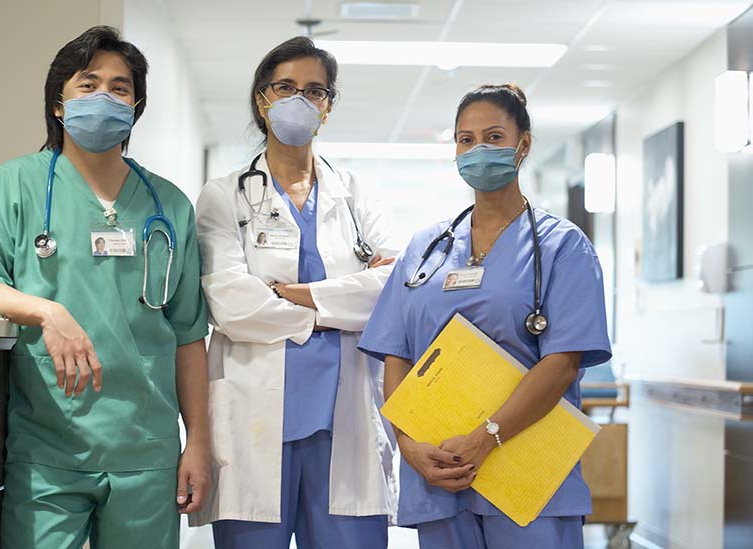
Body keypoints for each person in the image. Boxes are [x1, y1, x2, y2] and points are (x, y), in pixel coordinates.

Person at [0, 26, 210, 548]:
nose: (104, 97)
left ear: (135, 108)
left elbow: (188, 335)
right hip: (47, 450)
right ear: (58, 104)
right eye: (88, 85)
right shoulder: (17, 184)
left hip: (145, 452)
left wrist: (196, 440)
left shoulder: (169, 206)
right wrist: (46, 311)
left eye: (120, 87)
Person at [359, 83, 612, 549]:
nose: (478, 150)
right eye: (466, 140)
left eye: (494, 137)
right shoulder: (424, 249)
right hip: (439, 471)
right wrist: (408, 445)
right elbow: (396, 353)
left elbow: (561, 365)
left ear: (523, 145)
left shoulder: (562, 247)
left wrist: (487, 436)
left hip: (526, 470)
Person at [190, 36, 399, 549]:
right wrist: (338, 308)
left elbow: (390, 291)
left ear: (328, 107)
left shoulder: (357, 194)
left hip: (343, 420)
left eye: (315, 91)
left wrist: (294, 293)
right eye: (285, 87)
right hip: (255, 423)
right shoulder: (225, 196)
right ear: (262, 99)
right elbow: (233, 306)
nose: (300, 100)